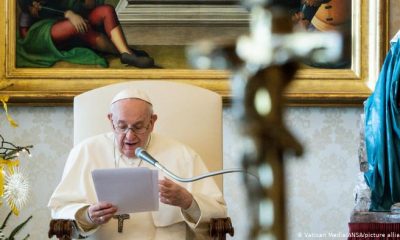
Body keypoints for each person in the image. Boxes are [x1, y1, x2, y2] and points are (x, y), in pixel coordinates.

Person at [48, 88, 226, 239]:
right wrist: (87, 216)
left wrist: (188, 202)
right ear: (111, 120)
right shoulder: (86, 152)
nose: (130, 136)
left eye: (138, 126)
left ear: (152, 122)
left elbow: (218, 213)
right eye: (122, 126)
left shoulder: (182, 154)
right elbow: (61, 210)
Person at [17, 0, 154, 68]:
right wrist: (69, 14)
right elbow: (33, 8)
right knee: (79, 25)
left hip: (72, 18)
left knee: (106, 10)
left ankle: (126, 53)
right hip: (37, 32)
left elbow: (83, 6)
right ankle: (125, 52)